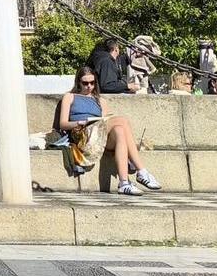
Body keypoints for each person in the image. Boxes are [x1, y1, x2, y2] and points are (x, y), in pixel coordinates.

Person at [58, 66, 161, 196]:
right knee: (122, 120)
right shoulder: (70, 97)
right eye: (85, 83)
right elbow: (62, 124)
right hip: (82, 134)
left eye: (92, 83)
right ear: (78, 82)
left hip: (99, 136)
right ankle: (142, 171)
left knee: (119, 130)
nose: (89, 86)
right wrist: (79, 122)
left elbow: (106, 121)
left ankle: (124, 183)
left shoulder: (100, 100)